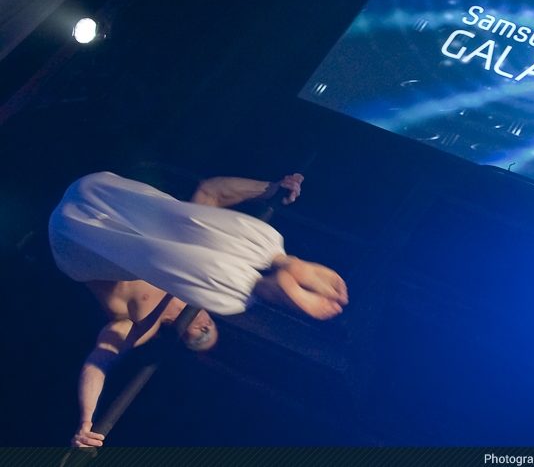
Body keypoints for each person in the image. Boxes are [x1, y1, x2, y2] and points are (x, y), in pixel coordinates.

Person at [48, 171, 348, 448]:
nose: (204, 325)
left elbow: (98, 362)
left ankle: (265, 284)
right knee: (187, 224)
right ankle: (277, 262)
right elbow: (210, 193)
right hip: (105, 193)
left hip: (73, 241)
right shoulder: (201, 277)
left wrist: (86, 421)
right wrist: (270, 188)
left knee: (197, 270)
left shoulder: (141, 324)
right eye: (210, 328)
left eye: (200, 336)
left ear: (181, 337)